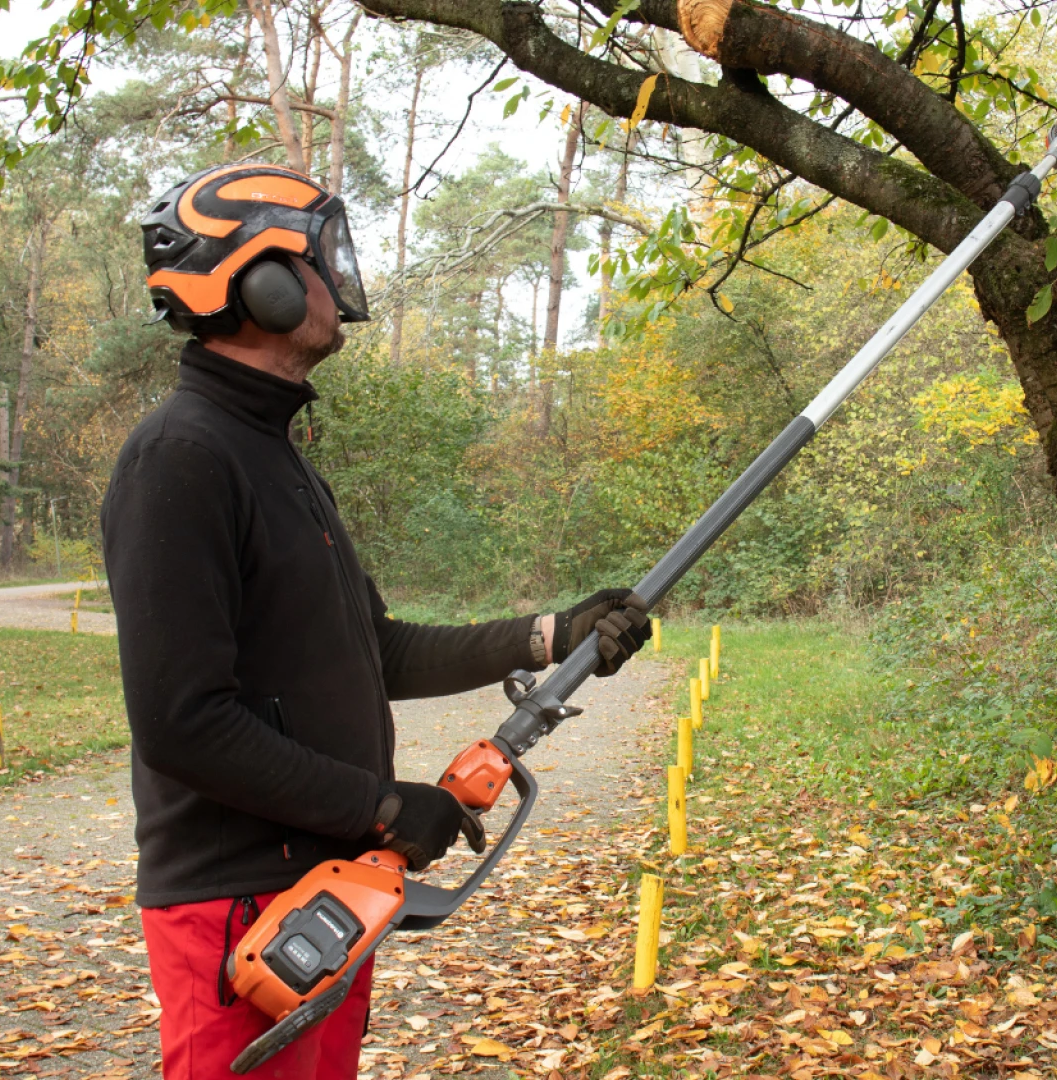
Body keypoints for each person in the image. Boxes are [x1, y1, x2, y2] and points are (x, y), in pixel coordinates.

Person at [102, 164, 650, 1080]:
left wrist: (554, 635)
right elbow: (180, 725)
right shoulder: (182, 456)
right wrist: (387, 807)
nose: (339, 283)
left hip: (327, 891)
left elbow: (377, 646)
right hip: (242, 909)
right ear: (262, 283)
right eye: (320, 260)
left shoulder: (274, 454)